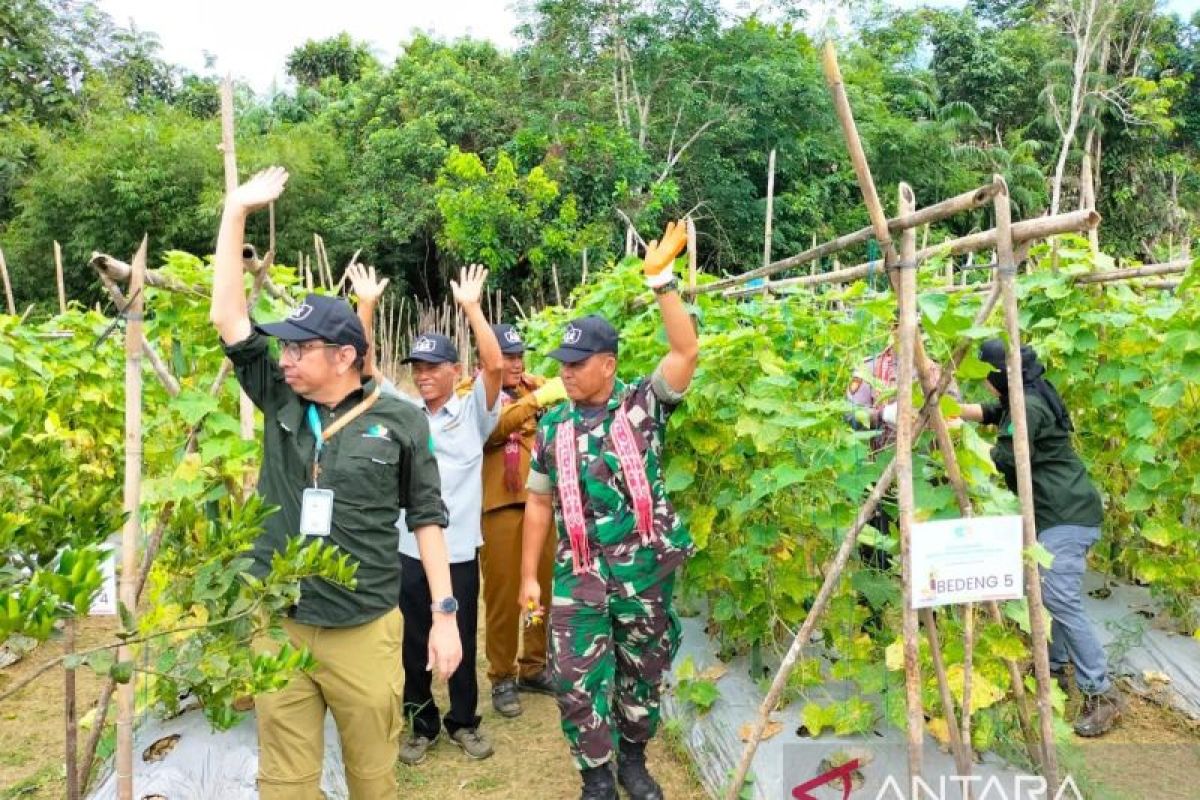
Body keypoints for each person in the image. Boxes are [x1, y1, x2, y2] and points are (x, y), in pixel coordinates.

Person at [209, 167, 461, 800]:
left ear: (345, 355)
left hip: (365, 631)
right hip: (282, 624)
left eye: (299, 349)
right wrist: (236, 209)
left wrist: (445, 614)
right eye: (284, 350)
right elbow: (227, 316)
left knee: (373, 781)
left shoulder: (402, 420)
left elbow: (427, 518)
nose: (285, 360)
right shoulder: (280, 397)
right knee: (285, 786)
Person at [520, 220, 699, 800]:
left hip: (643, 571)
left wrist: (662, 281)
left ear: (608, 363)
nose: (566, 372)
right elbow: (539, 502)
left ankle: (633, 763)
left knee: (642, 673)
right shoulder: (551, 426)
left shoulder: (643, 407)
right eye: (562, 364)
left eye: (576, 363)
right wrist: (529, 575)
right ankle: (595, 776)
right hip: (578, 576)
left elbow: (684, 349)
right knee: (575, 679)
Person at [355, 265, 503, 764]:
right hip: (407, 547)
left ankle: (464, 720)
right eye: (416, 367)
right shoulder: (403, 412)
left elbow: (497, 367)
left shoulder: (474, 413)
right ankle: (422, 723)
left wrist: (471, 307)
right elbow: (364, 368)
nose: (422, 375)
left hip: (458, 549)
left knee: (459, 635)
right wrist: (368, 306)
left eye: (432, 367)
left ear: (455, 372)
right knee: (412, 638)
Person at [958, 339, 1121, 738]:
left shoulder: (1027, 406)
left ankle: (1102, 692)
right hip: (1060, 510)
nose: (984, 385)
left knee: (1058, 597)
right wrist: (955, 413)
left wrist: (959, 446)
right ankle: (1054, 668)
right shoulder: (1024, 395)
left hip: (1065, 513)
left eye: (985, 376)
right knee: (1050, 591)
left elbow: (1009, 456)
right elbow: (996, 413)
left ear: (997, 376)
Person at [478, 323, 567, 718]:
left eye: (518, 355)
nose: (515, 363)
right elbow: (492, 430)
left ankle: (534, 665)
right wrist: (535, 403)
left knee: (541, 588)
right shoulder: (475, 393)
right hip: (499, 507)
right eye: (506, 356)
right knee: (501, 596)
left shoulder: (535, 387)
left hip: (541, 502)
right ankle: (502, 675)